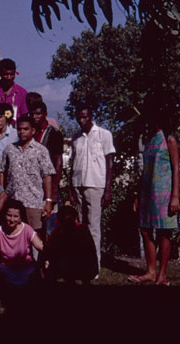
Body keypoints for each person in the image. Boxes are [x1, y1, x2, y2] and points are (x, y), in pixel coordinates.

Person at [128, 116, 179, 285]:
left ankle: (162, 275)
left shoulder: (169, 139)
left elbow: (176, 168)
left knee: (164, 231)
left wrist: (175, 195)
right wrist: (137, 195)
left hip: (164, 192)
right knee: (145, 229)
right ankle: (150, 272)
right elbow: (144, 170)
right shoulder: (148, 141)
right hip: (147, 192)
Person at [68, 104, 115, 269]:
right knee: (80, 226)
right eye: (79, 117)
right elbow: (72, 164)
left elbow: (110, 163)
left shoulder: (103, 135)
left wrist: (107, 189)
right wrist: (70, 188)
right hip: (77, 184)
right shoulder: (76, 138)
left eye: (85, 117)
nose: (82, 121)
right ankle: (82, 262)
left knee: (93, 226)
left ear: (91, 116)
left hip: (95, 184)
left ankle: (94, 265)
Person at [0, 115, 55, 237]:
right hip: (13, 202)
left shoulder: (41, 150)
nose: (21, 132)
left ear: (33, 131)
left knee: (34, 235)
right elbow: (0, 169)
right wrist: (2, 193)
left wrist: (48, 201)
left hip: (33, 201)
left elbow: (47, 175)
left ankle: (35, 257)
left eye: (25, 129)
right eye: (19, 129)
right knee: (13, 234)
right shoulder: (10, 149)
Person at [0, 200, 44, 288]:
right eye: (9, 215)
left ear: (20, 218)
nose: (12, 219)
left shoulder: (27, 229)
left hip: (26, 267)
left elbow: (40, 247)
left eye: (15, 216)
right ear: (4, 215)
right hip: (7, 268)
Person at [45, 205, 98, 284]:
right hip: (76, 265)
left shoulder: (81, 230)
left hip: (82, 265)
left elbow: (89, 252)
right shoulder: (59, 231)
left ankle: (77, 280)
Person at [29, 101, 63, 203]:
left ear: (45, 115)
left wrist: (54, 189)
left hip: (48, 183)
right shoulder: (30, 133)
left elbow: (58, 162)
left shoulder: (54, 133)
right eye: (32, 114)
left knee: (48, 214)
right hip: (32, 182)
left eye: (38, 114)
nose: (35, 117)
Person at [0, 58, 28, 125]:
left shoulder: (21, 92)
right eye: (6, 74)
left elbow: (24, 115)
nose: (9, 77)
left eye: (12, 74)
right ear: (0, 73)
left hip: (14, 131)